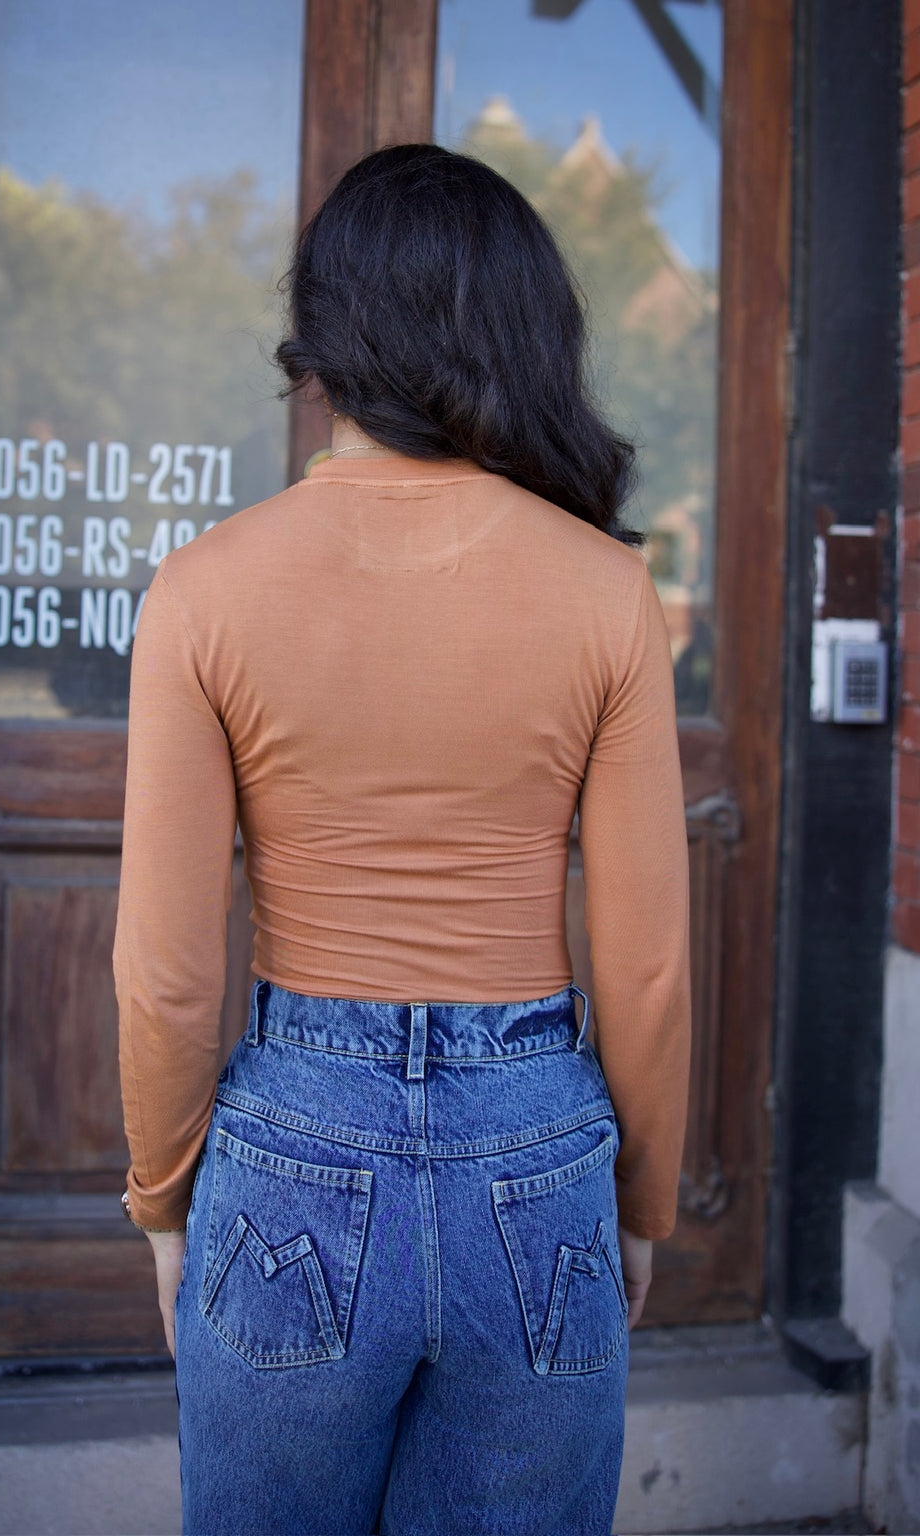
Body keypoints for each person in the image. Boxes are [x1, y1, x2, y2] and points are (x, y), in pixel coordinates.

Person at [115, 142, 690, 1536]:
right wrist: (644, 1203)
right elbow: (651, 972)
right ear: (517, 329)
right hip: (538, 1153)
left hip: (293, 1145)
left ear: (322, 337)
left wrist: (163, 1202)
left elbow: (169, 973)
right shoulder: (610, 595)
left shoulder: (201, 593)